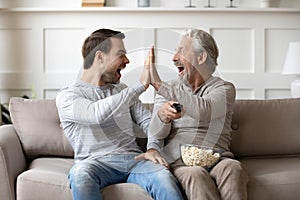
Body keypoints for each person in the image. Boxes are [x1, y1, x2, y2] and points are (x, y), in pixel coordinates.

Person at [55, 28, 184, 200]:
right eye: (121, 54)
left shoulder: (121, 90)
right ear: (100, 57)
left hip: (134, 160)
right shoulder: (68, 96)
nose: (127, 60)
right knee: (80, 176)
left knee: (164, 177)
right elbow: (95, 114)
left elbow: (148, 123)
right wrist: (140, 86)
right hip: (94, 163)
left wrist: (153, 147)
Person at [138, 29, 249, 200]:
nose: (174, 57)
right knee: (195, 175)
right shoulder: (167, 90)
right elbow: (155, 134)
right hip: (181, 163)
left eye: (181, 50)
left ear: (201, 57)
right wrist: (162, 116)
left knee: (233, 168)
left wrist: (159, 84)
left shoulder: (224, 88)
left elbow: (204, 110)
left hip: (217, 159)